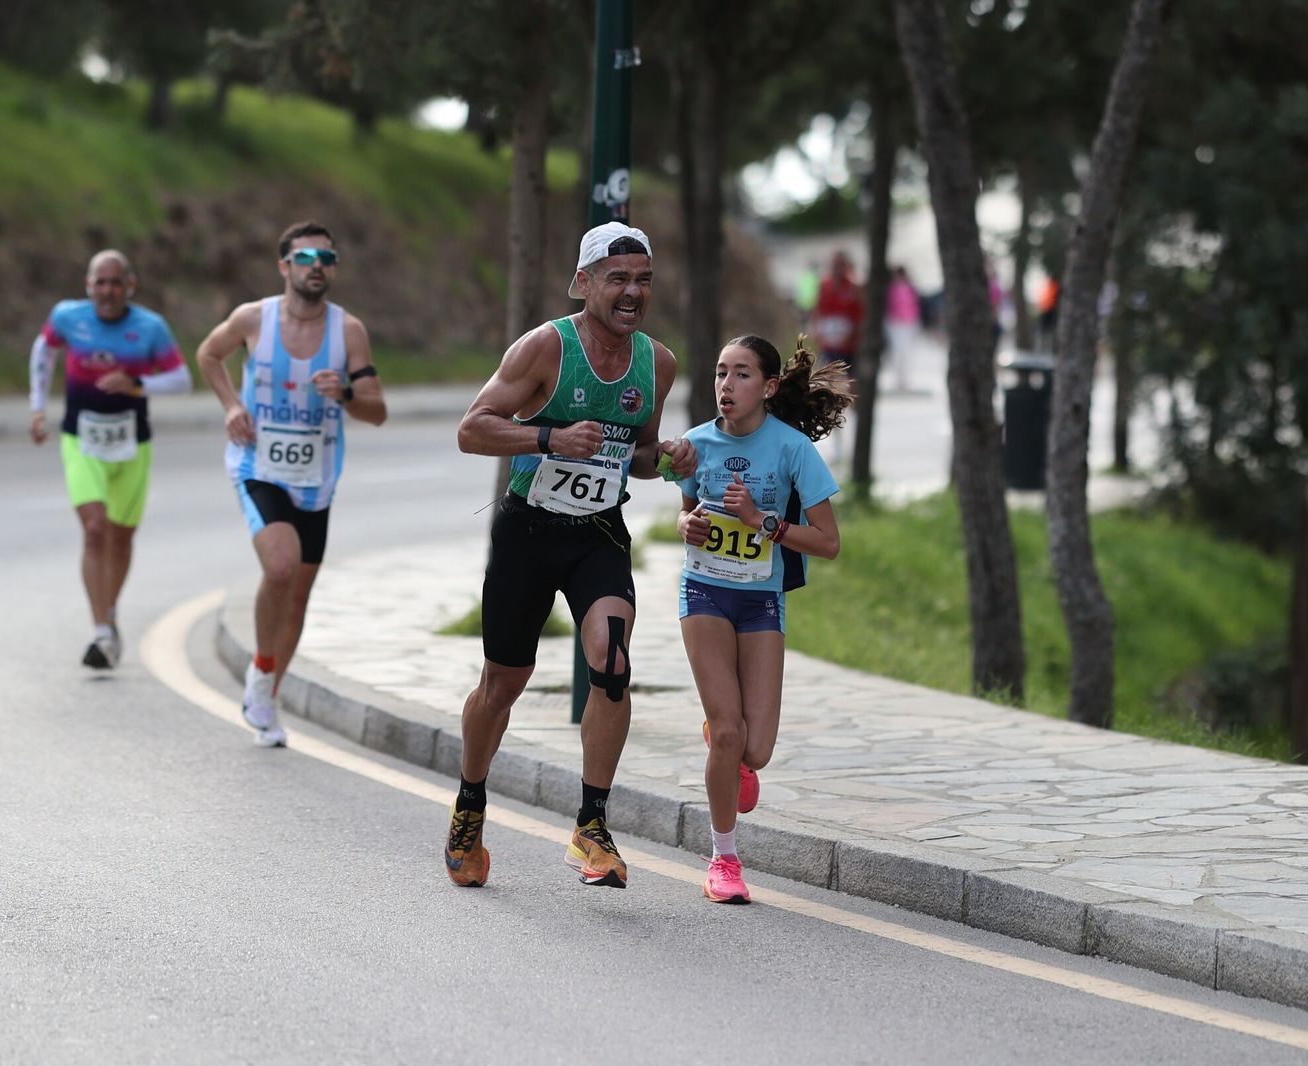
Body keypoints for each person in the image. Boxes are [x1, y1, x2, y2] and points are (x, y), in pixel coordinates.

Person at [445, 222, 696, 890]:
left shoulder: (657, 363)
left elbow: (636, 457)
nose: (633, 291)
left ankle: (592, 825)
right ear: (583, 283)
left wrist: (667, 458)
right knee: (503, 683)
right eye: (618, 278)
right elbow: (472, 429)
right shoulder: (545, 349)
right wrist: (550, 437)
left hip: (599, 533)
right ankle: (470, 800)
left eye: (643, 279)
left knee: (612, 664)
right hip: (528, 530)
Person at [196, 221, 387, 747]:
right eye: (306, 258)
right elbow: (208, 354)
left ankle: (268, 696)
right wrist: (233, 404)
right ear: (284, 267)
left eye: (327, 257)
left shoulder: (348, 332)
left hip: (316, 477)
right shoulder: (253, 319)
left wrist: (347, 394)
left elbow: (378, 411)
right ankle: (261, 669)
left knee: (298, 595)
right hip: (258, 465)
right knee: (279, 568)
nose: (317, 266)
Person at [675, 334, 849, 903]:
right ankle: (724, 859)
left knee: (757, 749)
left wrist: (763, 521)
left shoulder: (793, 449)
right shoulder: (695, 445)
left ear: (769, 387)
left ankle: (728, 748)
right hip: (704, 592)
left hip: (760, 598)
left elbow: (828, 543)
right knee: (730, 732)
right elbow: (688, 514)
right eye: (721, 373)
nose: (727, 385)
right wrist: (689, 527)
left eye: (742, 374)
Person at [28, 249, 192, 670]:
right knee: (95, 529)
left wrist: (137, 383)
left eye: (116, 282)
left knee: (121, 538)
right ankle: (102, 631)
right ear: (88, 285)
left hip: (132, 444)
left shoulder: (150, 327)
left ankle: (111, 611)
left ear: (130, 287)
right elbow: (42, 352)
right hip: (81, 440)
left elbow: (181, 380)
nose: (107, 291)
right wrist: (37, 407)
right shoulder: (68, 317)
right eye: (100, 282)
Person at [811, 250, 864, 375]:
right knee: (829, 377)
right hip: (828, 342)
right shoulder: (824, 286)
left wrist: (854, 334)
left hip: (850, 344)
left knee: (850, 378)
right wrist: (817, 332)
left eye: (840, 265)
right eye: (834, 265)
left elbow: (861, 315)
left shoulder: (854, 287)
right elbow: (817, 310)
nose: (837, 269)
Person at [883, 265, 921, 392]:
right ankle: (898, 378)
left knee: (907, 352)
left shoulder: (910, 288)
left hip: (908, 323)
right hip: (895, 323)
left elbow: (916, 306)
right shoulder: (891, 289)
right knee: (897, 352)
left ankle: (905, 379)